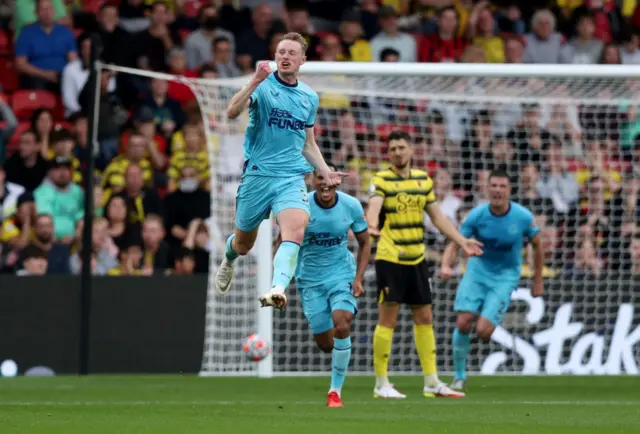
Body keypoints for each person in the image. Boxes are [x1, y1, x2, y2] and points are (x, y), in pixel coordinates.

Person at [215, 32, 345, 309]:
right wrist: (255, 81)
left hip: (291, 177)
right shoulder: (262, 86)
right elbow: (231, 112)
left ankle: (277, 288)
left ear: (303, 60)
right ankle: (229, 258)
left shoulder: (309, 97)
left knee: (295, 230)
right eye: (281, 52)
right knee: (243, 244)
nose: (285, 57)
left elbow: (308, 143)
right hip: (258, 176)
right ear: (275, 57)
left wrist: (324, 171)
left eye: (291, 53)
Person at [366, 130, 483, 399]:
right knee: (389, 320)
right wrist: (372, 225)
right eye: (393, 148)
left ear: (411, 150)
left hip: (417, 258)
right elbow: (374, 206)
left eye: (402, 147)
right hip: (390, 257)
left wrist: (462, 241)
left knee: (425, 317)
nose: (397, 152)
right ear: (388, 153)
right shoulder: (381, 179)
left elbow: (439, 219)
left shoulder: (422, 180)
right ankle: (381, 383)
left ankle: (431, 382)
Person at [440, 169, 544, 391]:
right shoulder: (476, 215)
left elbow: (537, 245)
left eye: (502, 186)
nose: (497, 190)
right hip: (477, 271)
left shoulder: (523, 217)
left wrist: (537, 280)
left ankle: (485, 320)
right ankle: (459, 376)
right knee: (462, 322)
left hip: (506, 276)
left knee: (483, 331)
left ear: (509, 190)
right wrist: (445, 265)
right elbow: (457, 241)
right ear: (487, 188)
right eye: (493, 186)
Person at [282, 169, 370, 408]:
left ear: (338, 181)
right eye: (320, 178)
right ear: (312, 180)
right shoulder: (300, 206)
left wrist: (359, 278)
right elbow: (283, 244)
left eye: (330, 179)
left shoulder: (351, 205)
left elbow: (365, 242)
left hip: (341, 274)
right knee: (325, 344)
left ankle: (335, 392)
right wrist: (277, 284)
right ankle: (338, 353)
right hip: (310, 280)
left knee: (342, 323)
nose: (325, 184)